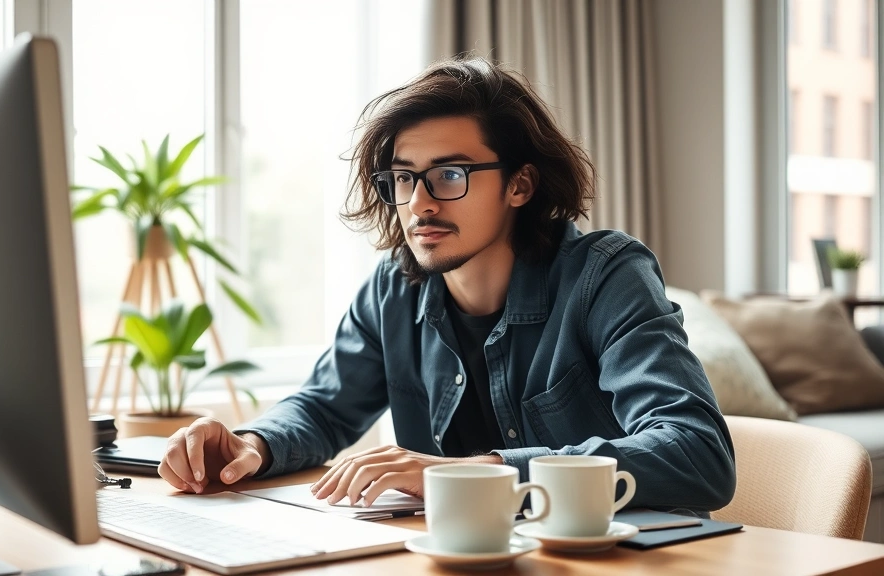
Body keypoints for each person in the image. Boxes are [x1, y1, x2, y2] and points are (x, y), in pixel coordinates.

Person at [158, 56, 736, 515]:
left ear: (521, 185)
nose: (419, 203)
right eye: (404, 179)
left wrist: (479, 471)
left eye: (450, 175)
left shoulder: (605, 275)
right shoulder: (393, 288)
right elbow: (323, 410)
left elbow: (697, 452)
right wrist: (250, 446)